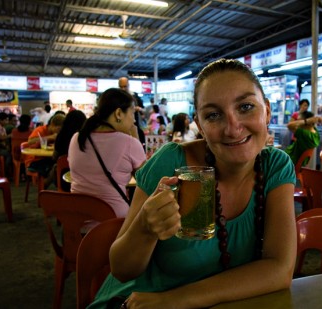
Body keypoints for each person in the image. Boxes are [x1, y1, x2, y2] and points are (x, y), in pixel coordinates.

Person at [88, 59, 296, 308]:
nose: (232, 128)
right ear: (199, 125)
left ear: (268, 111)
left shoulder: (275, 166)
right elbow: (121, 270)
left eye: (246, 106)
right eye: (213, 115)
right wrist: (144, 228)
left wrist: (176, 300)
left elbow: (279, 269)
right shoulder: (171, 162)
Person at [68, 88, 146, 218]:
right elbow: (146, 182)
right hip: (114, 227)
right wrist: (135, 137)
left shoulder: (76, 138)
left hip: (76, 222)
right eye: (132, 113)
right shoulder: (129, 143)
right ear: (119, 113)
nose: (133, 120)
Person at [48, 110, 87, 191]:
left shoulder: (61, 136)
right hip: (82, 179)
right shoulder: (85, 138)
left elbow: (54, 157)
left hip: (61, 177)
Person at [25, 114, 65, 187]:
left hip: (48, 158)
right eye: (58, 129)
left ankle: (55, 187)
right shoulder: (40, 129)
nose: (59, 132)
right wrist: (50, 137)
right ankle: (45, 185)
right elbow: (30, 141)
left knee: (61, 165)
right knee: (56, 167)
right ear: (52, 125)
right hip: (35, 160)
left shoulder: (58, 134)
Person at [119, 77, 146, 148]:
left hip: (134, 126)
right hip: (121, 129)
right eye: (121, 87)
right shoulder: (117, 98)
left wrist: (139, 109)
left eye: (125, 86)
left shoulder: (135, 96)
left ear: (128, 85)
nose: (123, 89)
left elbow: (143, 110)